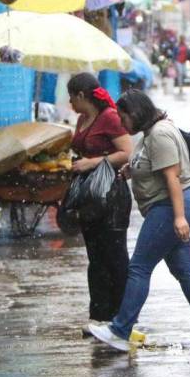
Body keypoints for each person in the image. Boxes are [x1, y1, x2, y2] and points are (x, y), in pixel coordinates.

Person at [89, 90, 190, 352]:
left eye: (123, 117)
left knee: (139, 267)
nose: (121, 123)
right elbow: (150, 165)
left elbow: (172, 178)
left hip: (171, 206)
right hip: (170, 207)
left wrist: (178, 218)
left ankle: (121, 330)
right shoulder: (149, 134)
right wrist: (132, 171)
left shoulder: (160, 134)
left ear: (136, 113)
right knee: (184, 271)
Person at [68, 73, 134, 334]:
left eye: (72, 97)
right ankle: (99, 317)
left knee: (115, 256)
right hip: (89, 197)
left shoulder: (109, 117)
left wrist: (93, 162)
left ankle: (122, 318)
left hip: (111, 196)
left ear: (82, 96)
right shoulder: (82, 119)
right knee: (95, 257)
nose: (70, 103)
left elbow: (127, 152)